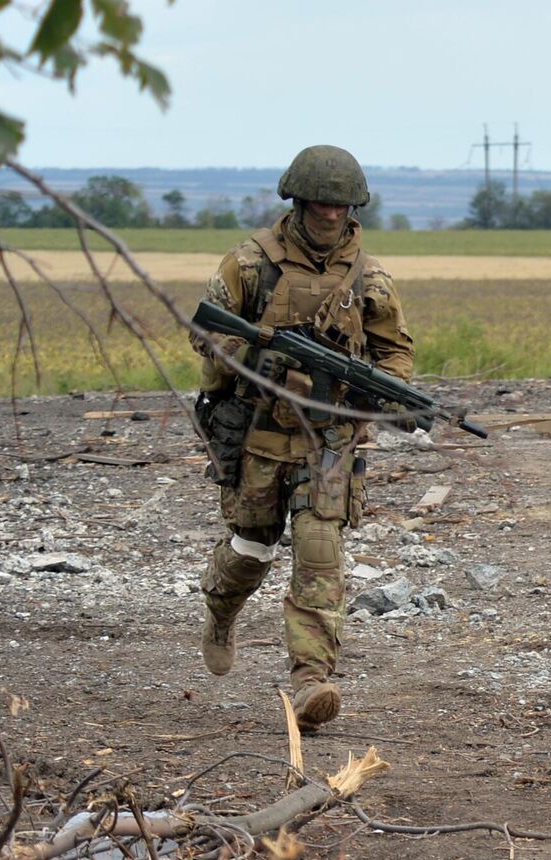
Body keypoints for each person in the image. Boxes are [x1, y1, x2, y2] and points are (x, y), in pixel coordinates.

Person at [190, 144, 413, 732]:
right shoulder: (247, 263)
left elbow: (395, 351)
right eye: (322, 202)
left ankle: (311, 682)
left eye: (343, 205)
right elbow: (206, 337)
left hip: (329, 440)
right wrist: (262, 360)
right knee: (251, 549)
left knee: (320, 554)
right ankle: (218, 610)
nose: (333, 214)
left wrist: (390, 392)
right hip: (260, 434)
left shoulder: (370, 277)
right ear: (297, 199)